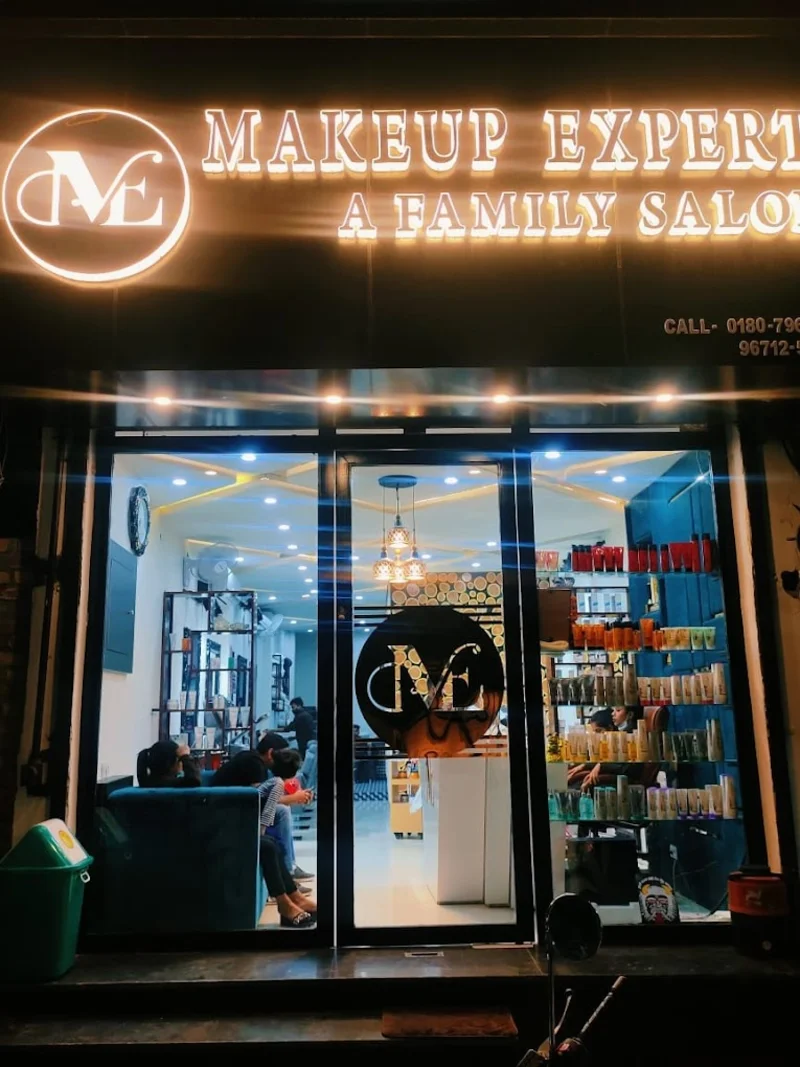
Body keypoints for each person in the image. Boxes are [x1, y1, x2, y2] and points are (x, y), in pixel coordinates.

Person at [211, 732, 314, 881]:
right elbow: (260, 799)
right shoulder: (254, 763)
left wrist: (294, 796)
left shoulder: (256, 761)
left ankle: (289, 866)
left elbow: (265, 797)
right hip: (227, 809)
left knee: (282, 810)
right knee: (282, 811)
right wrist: (293, 798)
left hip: (236, 806)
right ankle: (289, 869)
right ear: (271, 753)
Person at [136, 740, 201, 789]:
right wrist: (185, 757)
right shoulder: (171, 784)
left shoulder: (146, 784)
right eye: (179, 758)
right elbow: (194, 780)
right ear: (170, 763)